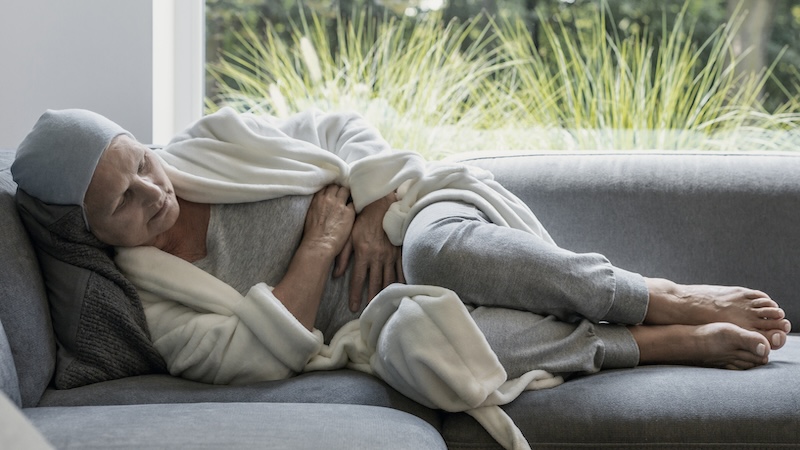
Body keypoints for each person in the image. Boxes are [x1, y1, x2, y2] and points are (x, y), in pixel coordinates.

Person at [12, 107, 791, 385]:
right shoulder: (153, 302)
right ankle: (654, 345)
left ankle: (655, 296)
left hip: (424, 224)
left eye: (142, 164)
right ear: (86, 228)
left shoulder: (212, 140)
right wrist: (317, 249)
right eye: (124, 198)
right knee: (422, 336)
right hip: (372, 318)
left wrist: (372, 202)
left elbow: (343, 125)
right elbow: (249, 358)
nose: (155, 192)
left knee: (433, 256)